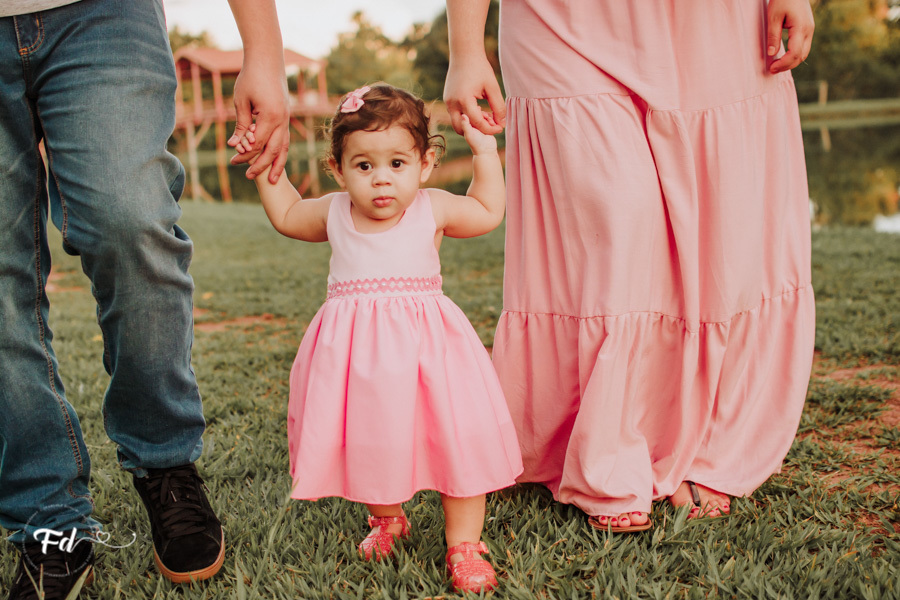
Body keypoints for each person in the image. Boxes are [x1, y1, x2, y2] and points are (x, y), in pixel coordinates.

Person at [444, 0, 816, 532]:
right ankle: (608, 451)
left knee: (722, 219)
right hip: (557, 16)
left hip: (708, 19)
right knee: (616, 208)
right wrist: (464, 47)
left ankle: (715, 439)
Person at [0, 0, 289, 598]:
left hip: (103, 17)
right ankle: (45, 513)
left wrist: (262, 50)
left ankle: (165, 462)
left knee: (130, 221)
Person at [247, 84, 522, 593]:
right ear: (338, 168)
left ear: (425, 163)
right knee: (371, 440)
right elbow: (287, 215)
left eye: (397, 163)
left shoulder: (432, 208)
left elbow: (486, 210)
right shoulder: (333, 213)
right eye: (364, 166)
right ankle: (387, 517)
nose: (381, 181)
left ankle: (464, 542)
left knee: (455, 441)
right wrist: (268, 170)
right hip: (360, 363)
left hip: (431, 354)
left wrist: (485, 151)